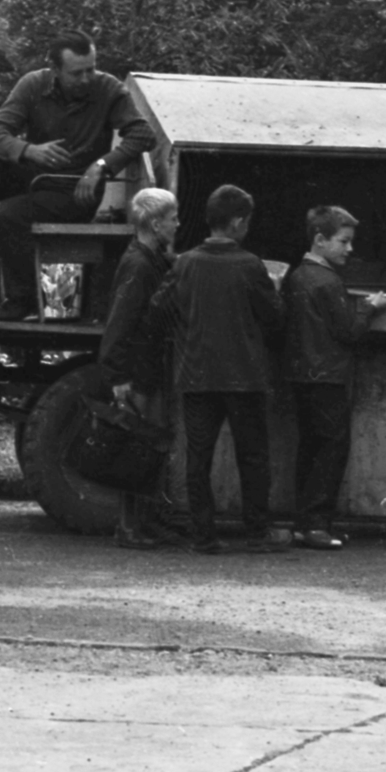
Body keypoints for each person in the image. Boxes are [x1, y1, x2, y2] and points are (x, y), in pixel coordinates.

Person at [0, 31, 156, 321]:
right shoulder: (33, 84)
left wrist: (101, 165)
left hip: (74, 191)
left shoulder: (108, 89)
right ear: (55, 70)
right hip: (35, 178)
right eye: (77, 73)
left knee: (8, 214)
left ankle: (21, 301)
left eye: (91, 69)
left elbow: (143, 134)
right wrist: (28, 150)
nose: (86, 79)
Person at [150, 184, 286, 554]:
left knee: (198, 457)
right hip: (244, 377)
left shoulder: (186, 263)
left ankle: (203, 535)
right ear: (239, 222)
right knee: (253, 457)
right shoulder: (251, 265)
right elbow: (274, 320)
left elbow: (159, 309)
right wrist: (274, 289)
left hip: (196, 375)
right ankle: (257, 533)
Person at [281, 205, 386, 551]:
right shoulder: (328, 282)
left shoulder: (297, 276)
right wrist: (371, 307)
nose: (349, 248)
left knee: (310, 450)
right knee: (330, 451)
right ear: (320, 240)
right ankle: (317, 525)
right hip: (328, 377)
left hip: (301, 375)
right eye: (343, 241)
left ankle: (303, 523)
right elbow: (349, 332)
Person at [99, 186, 183, 550]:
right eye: (172, 218)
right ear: (154, 223)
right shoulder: (138, 264)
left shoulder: (150, 259)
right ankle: (130, 528)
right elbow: (120, 323)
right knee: (138, 450)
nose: (177, 224)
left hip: (144, 369)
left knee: (145, 449)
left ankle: (141, 526)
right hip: (138, 372)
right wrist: (118, 377)